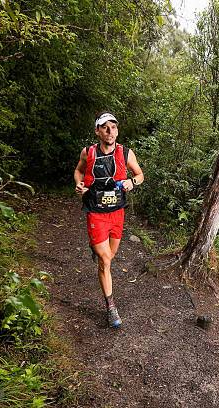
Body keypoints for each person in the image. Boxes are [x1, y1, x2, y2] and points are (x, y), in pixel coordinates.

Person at [73, 112, 144, 328]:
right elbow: (78, 171)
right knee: (105, 260)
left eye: (113, 127)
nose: (109, 131)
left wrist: (133, 182)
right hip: (95, 211)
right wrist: (79, 184)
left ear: (117, 131)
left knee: (110, 257)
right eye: (104, 127)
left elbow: (140, 175)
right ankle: (111, 307)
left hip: (117, 213)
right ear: (97, 131)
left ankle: (97, 248)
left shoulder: (125, 153)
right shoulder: (89, 152)